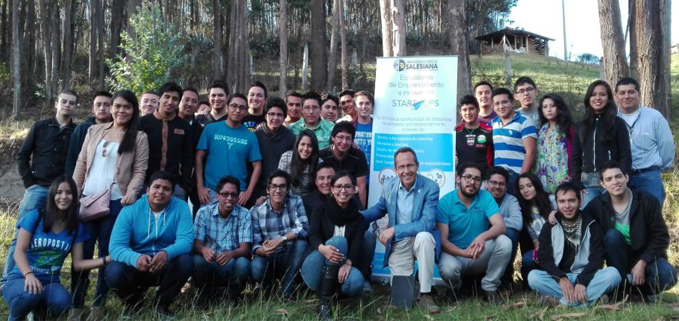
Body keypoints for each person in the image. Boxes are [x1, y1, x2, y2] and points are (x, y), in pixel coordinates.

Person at [71, 90, 150, 318]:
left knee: (107, 253)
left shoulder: (139, 137)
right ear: (111, 108)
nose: (121, 111)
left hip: (116, 203)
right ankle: (76, 305)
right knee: (83, 252)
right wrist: (75, 194)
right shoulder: (94, 130)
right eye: (117, 106)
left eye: (127, 107)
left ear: (134, 110)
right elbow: (81, 163)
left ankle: (98, 305)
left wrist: (132, 192)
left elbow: (139, 170)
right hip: (87, 201)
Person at [2, 176, 109, 321]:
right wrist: (29, 275)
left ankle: (37, 315)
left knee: (62, 303)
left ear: (74, 196)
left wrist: (107, 259)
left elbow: (78, 264)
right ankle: (17, 316)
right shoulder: (36, 216)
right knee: (29, 296)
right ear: (52, 194)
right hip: (21, 277)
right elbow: (19, 251)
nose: (63, 196)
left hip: (50, 282)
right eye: (59, 192)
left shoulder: (76, 226)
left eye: (69, 192)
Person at [5, 90, 79, 286]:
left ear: (75, 107)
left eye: (72, 103)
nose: (67, 105)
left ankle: (50, 277)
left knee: (63, 235)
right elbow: (22, 156)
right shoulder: (39, 127)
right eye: (64, 101)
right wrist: (29, 183)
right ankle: (8, 278)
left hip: (64, 193)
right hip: (38, 188)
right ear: (56, 103)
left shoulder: (77, 132)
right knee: (20, 234)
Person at [361, 147, 440, 314]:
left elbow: (426, 223)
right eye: (401, 167)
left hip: (419, 238)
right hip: (400, 243)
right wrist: (356, 217)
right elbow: (379, 209)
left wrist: (394, 230)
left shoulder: (430, 187)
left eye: (410, 165)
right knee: (401, 301)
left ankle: (426, 294)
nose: (406, 171)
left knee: (425, 237)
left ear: (417, 166)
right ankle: (414, 286)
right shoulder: (389, 186)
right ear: (395, 169)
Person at [105, 171, 194, 318]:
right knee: (112, 271)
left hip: (165, 264)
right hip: (137, 265)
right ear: (147, 190)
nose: (160, 192)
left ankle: (162, 304)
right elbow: (115, 247)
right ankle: (134, 303)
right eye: (156, 187)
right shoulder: (131, 210)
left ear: (172, 193)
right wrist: (135, 258)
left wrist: (167, 253)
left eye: (166, 189)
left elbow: (186, 241)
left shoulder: (181, 207)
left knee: (186, 261)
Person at [584, 161, 676, 299]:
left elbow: (661, 236)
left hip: (645, 258)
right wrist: (555, 215)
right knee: (612, 236)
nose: (615, 182)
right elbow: (578, 220)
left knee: (667, 275)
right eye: (609, 179)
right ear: (602, 184)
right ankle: (620, 289)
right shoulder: (597, 205)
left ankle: (638, 292)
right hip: (617, 261)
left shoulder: (646, 201)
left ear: (626, 177)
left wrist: (642, 262)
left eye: (618, 176)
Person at [528, 183, 621, 307]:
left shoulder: (592, 225)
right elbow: (545, 258)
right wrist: (560, 278)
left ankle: (562, 303)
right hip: (560, 277)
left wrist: (582, 282)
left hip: (586, 276)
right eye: (562, 201)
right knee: (533, 277)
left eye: (572, 200)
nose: (567, 206)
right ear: (556, 203)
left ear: (580, 201)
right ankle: (590, 300)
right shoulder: (550, 226)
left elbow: (597, 259)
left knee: (613, 274)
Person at [437, 163, 511, 304]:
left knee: (504, 242)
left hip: (478, 253)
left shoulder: (485, 197)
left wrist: (482, 236)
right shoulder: (445, 202)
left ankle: (489, 288)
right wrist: (463, 253)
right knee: (448, 269)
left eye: (477, 179)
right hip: (455, 255)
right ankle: (456, 289)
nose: (472, 182)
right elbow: (443, 240)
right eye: (468, 177)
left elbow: (500, 226)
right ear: (458, 178)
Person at [301, 171, 368, 320]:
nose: (343, 191)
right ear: (332, 190)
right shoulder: (320, 209)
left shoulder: (359, 218)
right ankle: (324, 303)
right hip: (315, 266)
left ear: (354, 190)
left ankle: (335, 294)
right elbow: (313, 235)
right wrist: (322, 248)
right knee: (339, 241)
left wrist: (348, 264)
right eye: (338, 186)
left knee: (356, 282)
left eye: (347, 186)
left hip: (341, 268)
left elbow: (357, 245)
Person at [615, 77, 675, 208]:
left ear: (639, 94)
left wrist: (659, 167)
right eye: (622, 93)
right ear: (616, 96)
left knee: (652, 219)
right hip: (620, 179)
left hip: (649, 177)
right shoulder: (611, 119)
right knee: (623, 220)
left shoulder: (654, 117)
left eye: (631, 92)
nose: (627, 96)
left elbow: (666, 145)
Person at [571, 80, 632, 207]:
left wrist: (622, 177)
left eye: (602, 94)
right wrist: (577, 182)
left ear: (608, 98)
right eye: (593, 94)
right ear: (588, 98)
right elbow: (575, 156)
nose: (597, 98)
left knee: (612, 218)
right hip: (588, 184)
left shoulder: (618, 123)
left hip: (612, 181)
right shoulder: (580, 125)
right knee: (591, 219)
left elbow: (625, 154)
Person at [195, 93, 262, 206]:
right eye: (234, 106)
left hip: (237, 194)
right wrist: (200, 186)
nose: (237, 110)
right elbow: (199, 156)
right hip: (212, 192)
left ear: (246, 112)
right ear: (226, 107)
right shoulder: (211, 129)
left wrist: (248, 192)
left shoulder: (250, 136)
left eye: (241, 107)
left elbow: (257, 166)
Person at [250, 170, 309, 298]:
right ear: (268, 189)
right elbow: (254, 243)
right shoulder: (256, 211)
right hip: (269, 257)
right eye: (274, 186)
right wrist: (263, 250)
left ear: (288, 189)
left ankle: (286, 291)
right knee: (256, 267)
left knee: (301, 244)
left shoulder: (296, 201)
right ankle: (268, 291)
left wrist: (280, 239)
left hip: (290, 256)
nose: (278, 190)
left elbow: (305, 229)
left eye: (282, 186)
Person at [192, 176, 251, 301]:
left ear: (237, 196)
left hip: (231, 262)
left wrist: (231, 254)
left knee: (243, 263)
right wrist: (203, 250)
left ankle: (232, 298)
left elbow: (245, 249)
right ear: (217, 196)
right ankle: (205, 296)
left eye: (233, 194)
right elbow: (197, 244)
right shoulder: (203, 212)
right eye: (225, 194)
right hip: (209, 261)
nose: (229, 198)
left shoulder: (245, 214)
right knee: (196, 260)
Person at [139, 82, 193, 200]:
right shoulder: (142, 123)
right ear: (159, 98)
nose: (170, 102)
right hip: (145, 184)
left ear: (178, 102)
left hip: (175, 185)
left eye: (175, 99)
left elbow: (188, 158)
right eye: (166, 97)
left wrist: (184, 186)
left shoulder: (184, 126)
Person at [491, 87, 537, 193]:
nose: (501, 106)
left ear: (512, 103)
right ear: (493, 107)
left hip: (515, 175)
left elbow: (531, 152)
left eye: (504, 102)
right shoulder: (494, 123)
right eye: (497, 104)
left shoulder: (525, 122)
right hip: (497, 177)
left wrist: (521, 179)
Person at [486, 166, 523, 288]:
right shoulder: (479, 197)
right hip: (480, 240)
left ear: (506, 187)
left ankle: (505, 279)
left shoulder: (510, 200)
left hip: (501, 242)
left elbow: (518, 223)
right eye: (494, 183)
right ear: (487, 183)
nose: (497, 187)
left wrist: (495, 222)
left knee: (511, 233)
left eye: (501, 184)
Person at [254, 97, 295, 202]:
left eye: (279, 115)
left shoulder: (290, 138)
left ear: (284, 117)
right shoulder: (255, 137)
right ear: (265, 115)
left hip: (280, 191)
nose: (275, 118)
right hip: (257, 191)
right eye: (271, 114)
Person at [319, 121, 369, 207]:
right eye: (340, 137)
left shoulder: (358, 155)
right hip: (327, 199)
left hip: (349, 199)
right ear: (333, 138)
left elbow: (361, 187)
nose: (344, 142)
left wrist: (362, 212)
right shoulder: (322, 155)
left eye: (348, 138)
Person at [65, 91, 113, 177]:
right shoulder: (82, 129)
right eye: (98, 105)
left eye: (107, 105)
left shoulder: (120, 129)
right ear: (92, 109)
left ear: (113, 108)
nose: (102, 108)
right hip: (85, 181)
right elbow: (72, 159)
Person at [515, 173, 552, 283]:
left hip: (560, 245)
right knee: (528, 259)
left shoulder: (552, 200)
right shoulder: (524, 211)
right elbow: (535, 238)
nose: (525, 190)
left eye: (529, 186)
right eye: (522, 188)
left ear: (536, 186)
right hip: (544, 247)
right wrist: (539, 252)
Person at [535, 93, 574, 195]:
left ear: (559, 107)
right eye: (545, 107)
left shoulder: (567, 128)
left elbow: (574, 152)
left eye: (552, 106)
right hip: (544, 178)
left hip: (564, 176)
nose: (549, 109)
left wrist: (572, 173)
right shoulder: (542, 130)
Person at [455, 95, 493, 175]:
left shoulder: (489, 130)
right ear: (460, 112)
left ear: (478, 110)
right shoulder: (456, 132)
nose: (468, 113)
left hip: (483, 179)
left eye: (471, 109)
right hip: (462, 179)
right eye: (464, 110)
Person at [278, 130, 322, 197]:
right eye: (303, 144)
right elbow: (279, 181)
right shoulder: (286, 157)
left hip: (310, 201)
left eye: (310, 145)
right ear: (297, 144)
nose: (305, 149)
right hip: (288, 199)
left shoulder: (319, 163)